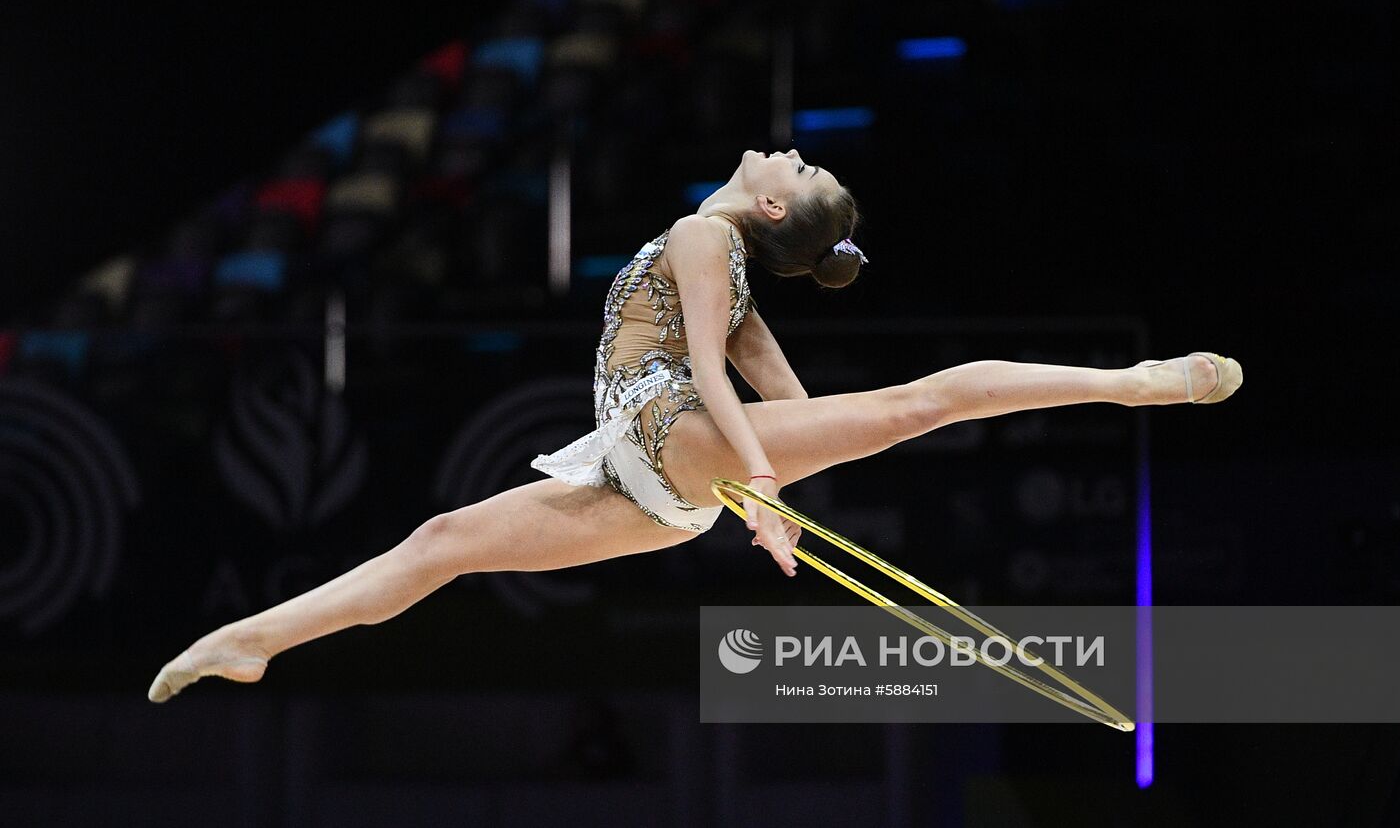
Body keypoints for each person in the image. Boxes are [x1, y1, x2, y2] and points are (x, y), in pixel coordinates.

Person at [148, 149, 1242, 702]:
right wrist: (778, 473)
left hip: (671, 439)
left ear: (768, 208)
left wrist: (764, 490)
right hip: (643, 474)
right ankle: (257, 641)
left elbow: (718, 375)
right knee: (442, 545)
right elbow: (791, 401)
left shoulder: (699, 234)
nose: (787, 153)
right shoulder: (719, 254)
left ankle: (1137, 380)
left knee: (925, 399)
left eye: (801, 168)